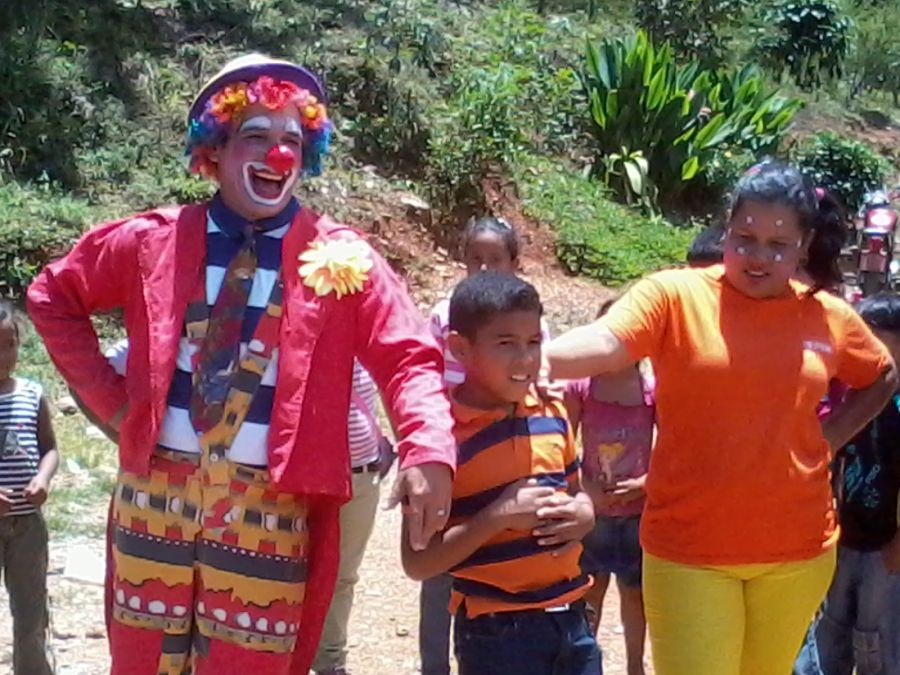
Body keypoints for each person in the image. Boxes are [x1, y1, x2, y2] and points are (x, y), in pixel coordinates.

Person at [26, 53, 455, 675]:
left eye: (292, 140)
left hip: (269, 511)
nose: (278, 154)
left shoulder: (342, 257)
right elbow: (53, 297)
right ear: (216, 150)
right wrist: (117, 405)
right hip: (155, 501)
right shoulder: (151, 239)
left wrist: (427, 449)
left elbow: (408, 355)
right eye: (256, 135)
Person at [546, 160, 898, 675]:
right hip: (689, 550)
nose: (758, 257)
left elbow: (882, 375)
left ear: (804, 246)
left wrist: (830, 437)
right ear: (726, 226)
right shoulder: (675, 295)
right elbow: (608, 340)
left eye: (778, 246)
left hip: (796, 553)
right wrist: (538, 358)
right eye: (744, 238)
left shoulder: (828, 315)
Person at [403, 271, 599, 675]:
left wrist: (585, 514)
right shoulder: (441, 439)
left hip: (573, 620)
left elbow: (577, 491)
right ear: (459, 347)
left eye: (533, 343)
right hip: (496, 634)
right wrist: (498, 516)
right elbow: (418, 563)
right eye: (506, 344)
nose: (525, 359)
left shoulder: (552, 412)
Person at [421, 215, 550, 675]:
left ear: (515, 263)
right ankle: (433, 665)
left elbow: (541, 378)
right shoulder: (445, 314)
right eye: (474, 258)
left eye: (494, 259)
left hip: (514, 442)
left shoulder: (528, 321)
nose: (482, 267)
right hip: (456, 441)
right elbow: (421, 376)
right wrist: (427, 443)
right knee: (441, 576)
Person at [794, 293, 900, 675]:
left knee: (879, 637)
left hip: (887, 543)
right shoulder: (846, 397)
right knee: (831, 630)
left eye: (872, 337)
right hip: (841, 534)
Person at [565, 295, 654, 675]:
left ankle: (636, 665)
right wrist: (583, 483)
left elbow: (671, 444)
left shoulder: (651, 389)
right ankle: (587, 665)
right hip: (593, 513)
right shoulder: (582, 387)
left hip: (638, 513)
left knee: (635, 598)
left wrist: (646, 483)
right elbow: (562, 441)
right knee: (589, 594)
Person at [313, 360, 395, 675]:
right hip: (315, 477)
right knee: (295, 571)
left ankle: (330, 663)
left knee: (343, 576)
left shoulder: (367, 340)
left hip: (362, 475)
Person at [0, 300, 59, 675]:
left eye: (10, 344)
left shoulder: (31, 394)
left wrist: (43, 477)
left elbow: (50, 448)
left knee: (31, 611)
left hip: (27, 526)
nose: (4, 354)